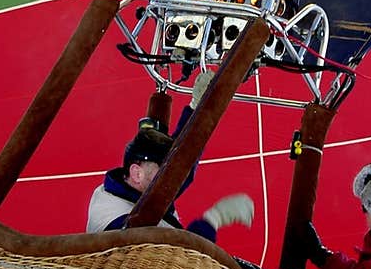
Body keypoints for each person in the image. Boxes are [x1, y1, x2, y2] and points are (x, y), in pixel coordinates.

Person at [86, 71, 255, 242]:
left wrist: (197, 108)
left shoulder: (138, 189)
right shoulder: (116, 218)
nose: (171, 178)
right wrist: (213, 219)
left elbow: (180, 168)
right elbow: (181, 252)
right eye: (164, 170)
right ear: (137, 173)